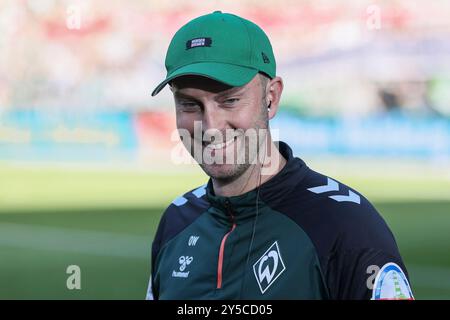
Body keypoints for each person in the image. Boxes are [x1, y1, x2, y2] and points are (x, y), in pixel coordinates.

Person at [146, 10, 414, 300]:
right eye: (189, 104)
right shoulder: (176, 221)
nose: (210, 127)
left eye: (230, 100)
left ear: (271, 97)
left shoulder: (346, 225)